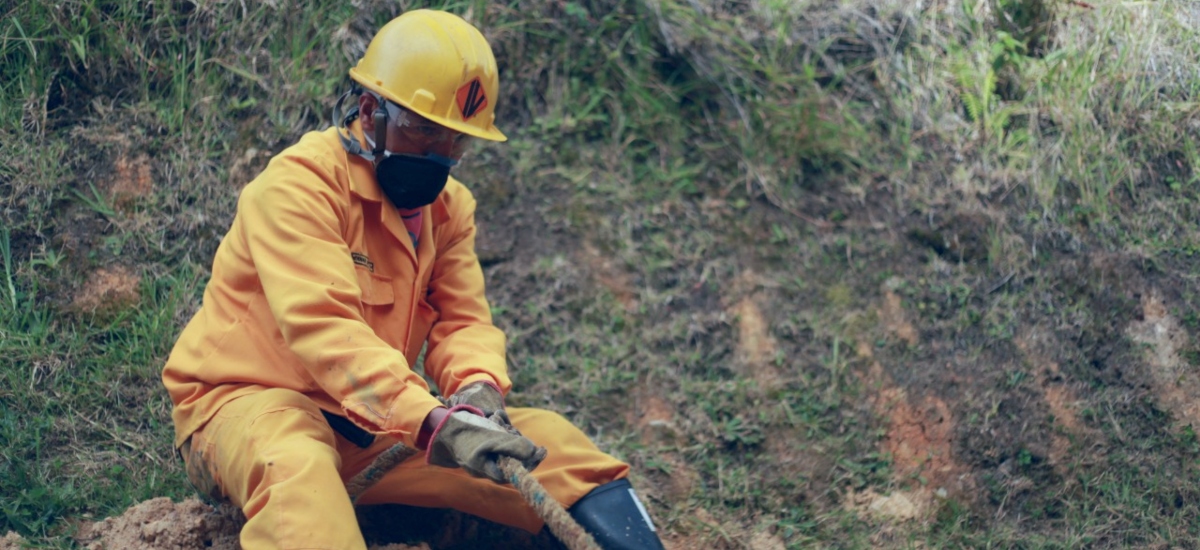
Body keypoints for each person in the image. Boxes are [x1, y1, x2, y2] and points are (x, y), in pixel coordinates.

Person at [161, 9, 665, 550]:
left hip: (368, 421)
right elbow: (325, 332)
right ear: (370, 110)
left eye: (456, 142)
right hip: (248, 406)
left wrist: (477, 389)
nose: (440, 156)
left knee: (555, 449)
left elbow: (463, 320)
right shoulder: (299, 187)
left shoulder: (450, 210)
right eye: (424, 131)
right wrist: (428, 420)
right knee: (297, 466)